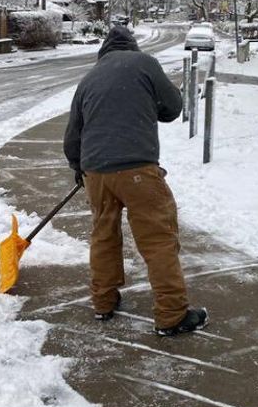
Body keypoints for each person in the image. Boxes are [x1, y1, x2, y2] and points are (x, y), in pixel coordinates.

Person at [63, 24, 207, 337]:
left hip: (96, 172)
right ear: (132, 47)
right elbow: (172, 108)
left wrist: (79, 166)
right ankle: (171, 314)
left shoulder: (89, 78)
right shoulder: (144, 64)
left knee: (103, 235)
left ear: (104, 51)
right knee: (158, 239)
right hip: (137, 169)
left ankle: (104, 302)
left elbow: (73, 131)